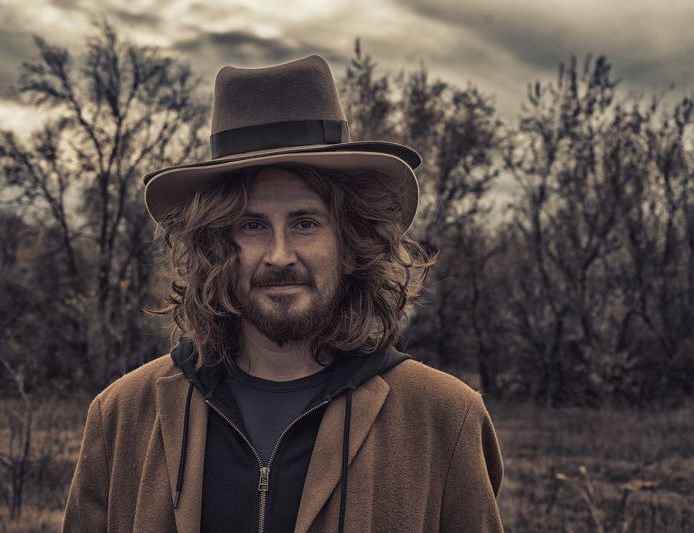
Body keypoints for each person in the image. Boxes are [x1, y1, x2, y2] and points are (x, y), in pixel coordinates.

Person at [62, 55, 504, 533]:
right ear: (215, 246)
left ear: (351, 243)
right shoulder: (123, 417)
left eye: (305, 223)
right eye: (252, 225)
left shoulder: (444, 419)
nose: (279, 255)